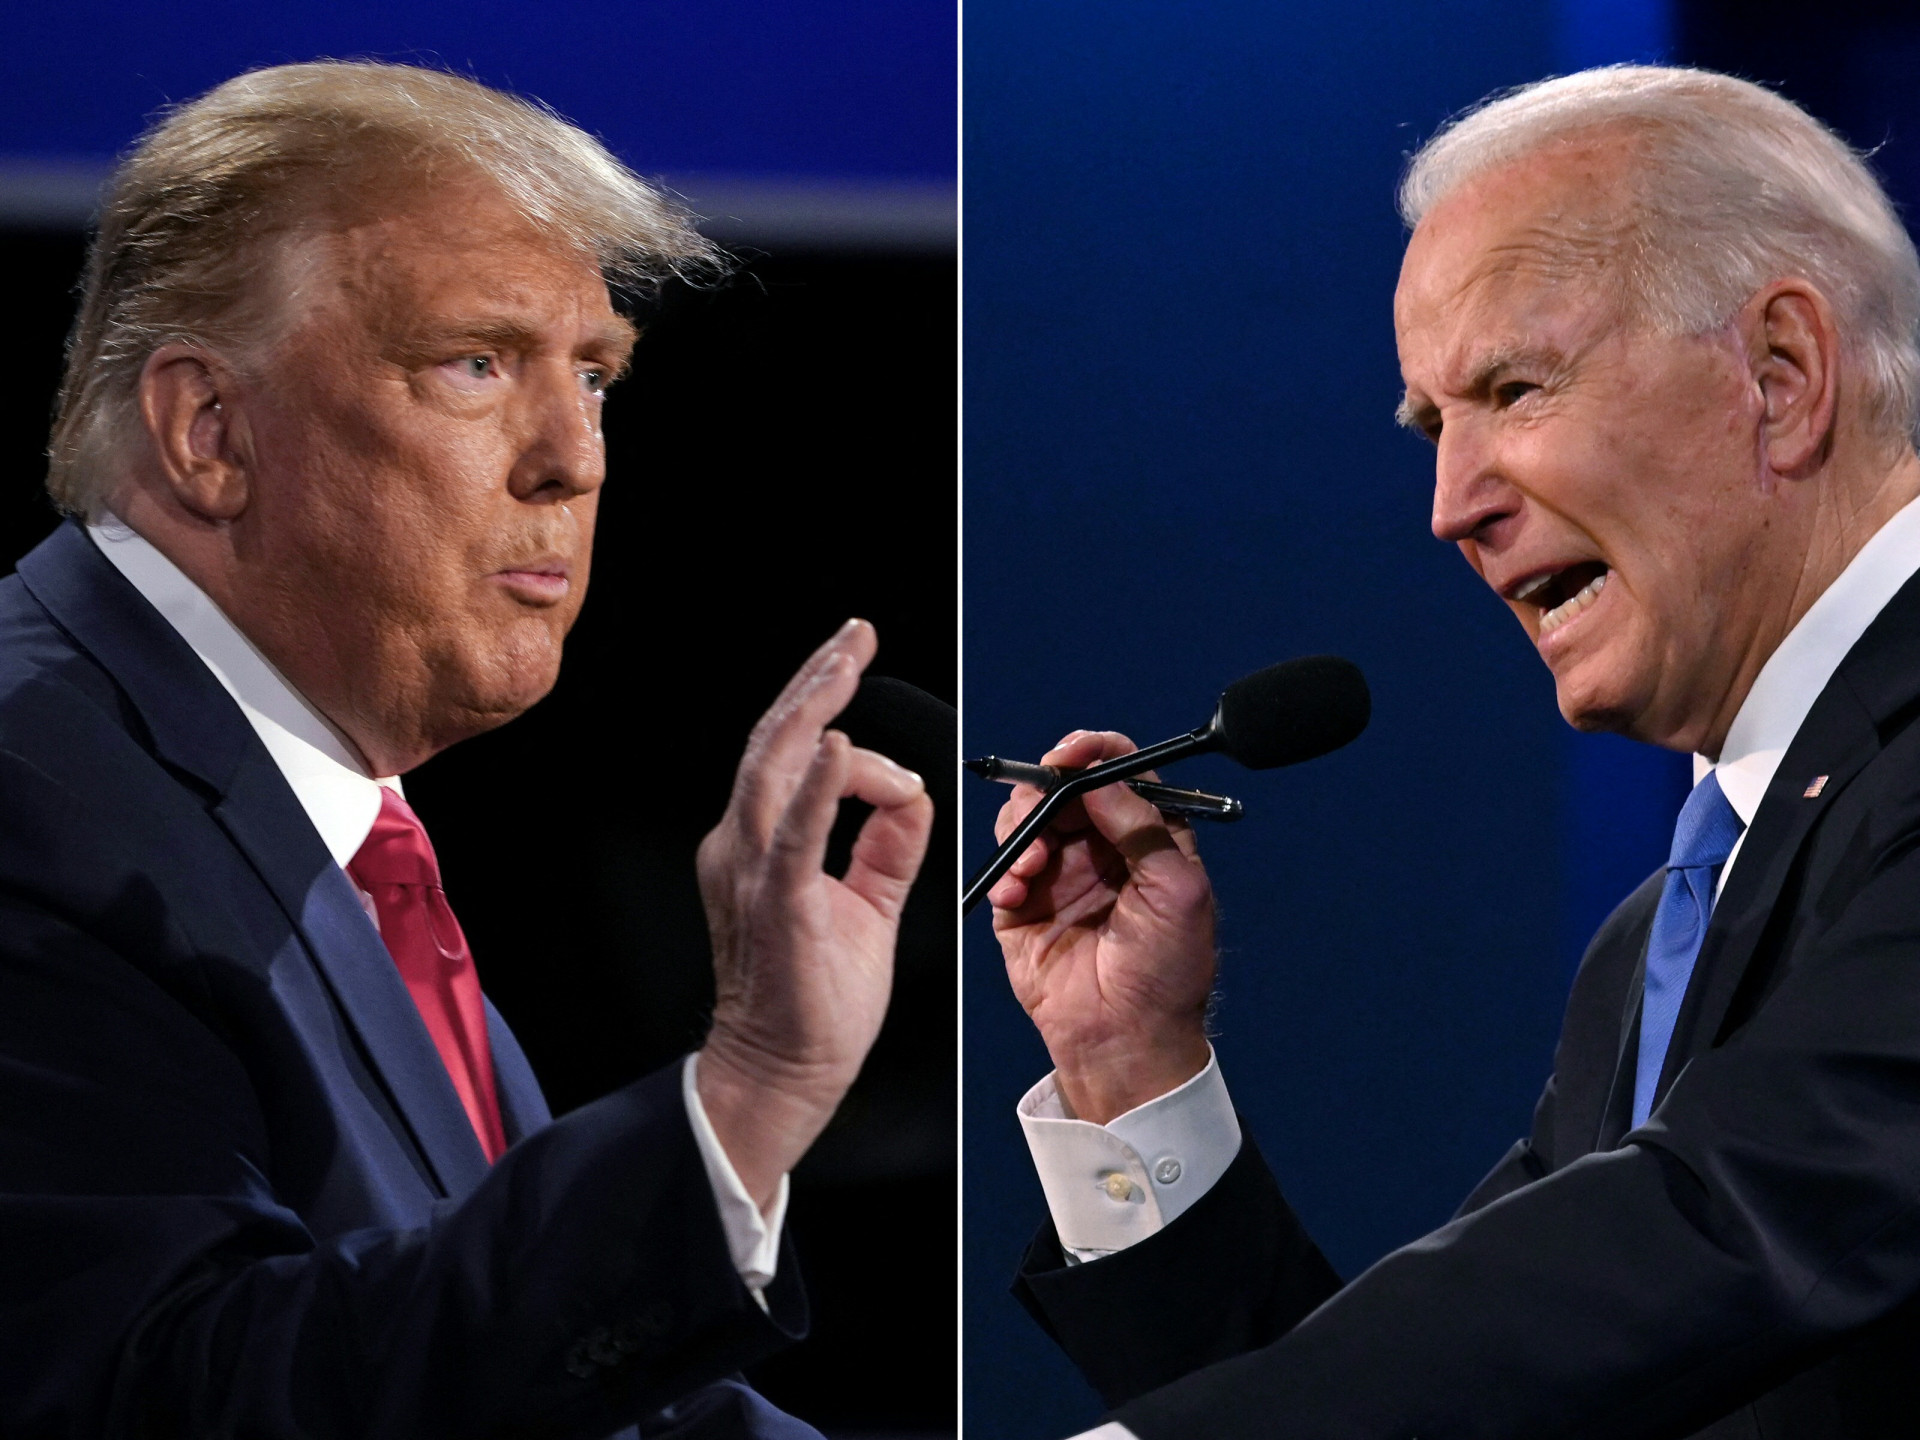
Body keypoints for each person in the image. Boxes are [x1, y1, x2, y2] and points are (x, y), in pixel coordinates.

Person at [0, 62, 934, 1440]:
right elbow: (186, 1397)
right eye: (475, 363)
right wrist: (745, 1091)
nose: (575, 457)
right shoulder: (34, 797)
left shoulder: (298, 806)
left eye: (597, 376)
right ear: (208, 432)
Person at [989, 65, 1920, 1439]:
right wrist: (1132, 1073)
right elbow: (1482, 1385)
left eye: (1515, 387)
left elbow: (1741, 1222)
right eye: (1435, 427)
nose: (1451, 506)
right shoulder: (1660, 937)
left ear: (1779, 376)